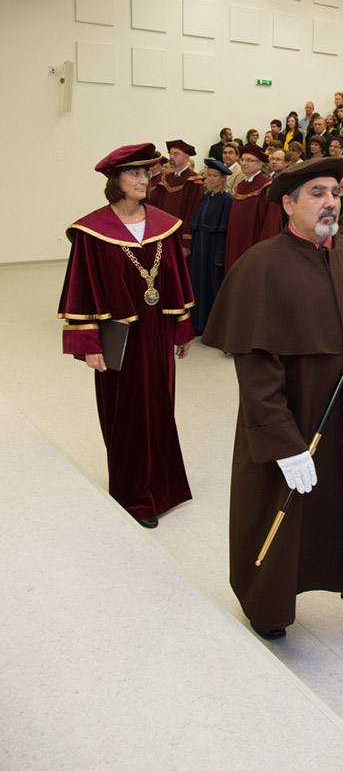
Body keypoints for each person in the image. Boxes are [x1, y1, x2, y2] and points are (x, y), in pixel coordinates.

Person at [201, 159, 343, 658]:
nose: (330, 203)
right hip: (295, 417)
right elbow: (256, 371)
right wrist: (283, 443)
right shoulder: (260, 266)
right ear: (288, 204)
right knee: (284, 510)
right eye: (317, 193)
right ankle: (268, 607)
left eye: (336, 193)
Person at [57, 143, 194, 529]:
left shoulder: (165, 225)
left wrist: (182, 327)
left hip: (157, 331)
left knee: (160, 407)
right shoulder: (92, 231)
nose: (143, 179)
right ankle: (134, 495)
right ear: (114, 180)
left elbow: (176, 279)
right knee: (127, 413)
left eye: (146, 173)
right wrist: (89, 344)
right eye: (134, 173)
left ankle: (164, 487)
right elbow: (81, 289)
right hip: (119, 335)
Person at [189, 159, 234, 334]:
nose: (211, 179)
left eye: (215, 176)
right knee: (198, 284)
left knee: (212, 286)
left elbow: (224, 230)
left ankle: (212, 327)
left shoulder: (227, 199)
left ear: (223, 178)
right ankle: (197, 324)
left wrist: (220, 253)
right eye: (209, 175)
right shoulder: (206, 196)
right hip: (201, 247)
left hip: (214, 247)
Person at [225, 145, 282, 269]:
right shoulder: (239, 186)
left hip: (255, 243)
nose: (244, 163)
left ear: (259, 164)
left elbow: (271, 222)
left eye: (249, 160)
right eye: (242, 160)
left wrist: (265, 249)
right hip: (236, 242)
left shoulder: (267, 187)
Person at [146, 139, 204, 256]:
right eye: (171, 154)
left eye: (176, 154)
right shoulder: (165, 180)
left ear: (186, 157)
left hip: (182, 235)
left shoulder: (194, 181)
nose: (171, 157)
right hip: (164, 233)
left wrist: (186, 242)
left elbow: (192, 211)